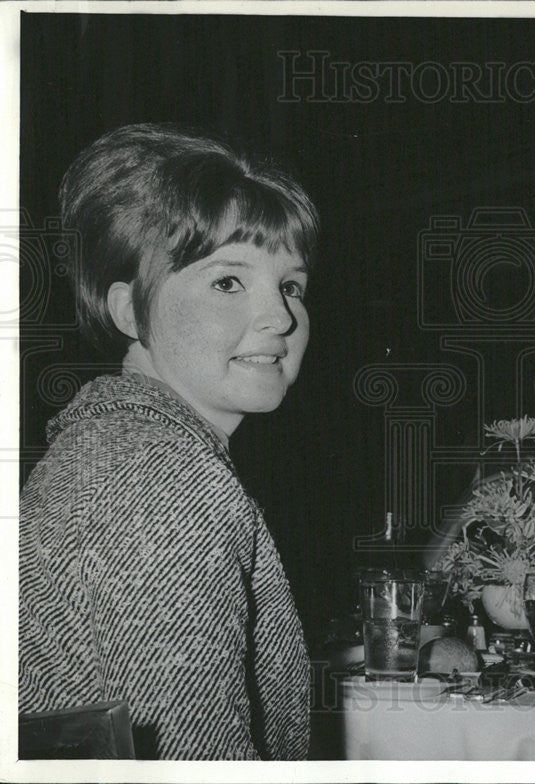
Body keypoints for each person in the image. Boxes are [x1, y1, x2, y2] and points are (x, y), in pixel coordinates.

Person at [19, 124, 318, 759]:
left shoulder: (121, 448)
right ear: (130, 312)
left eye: (291, 285)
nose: (282, 317)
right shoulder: (159, 475)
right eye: (228, 282)